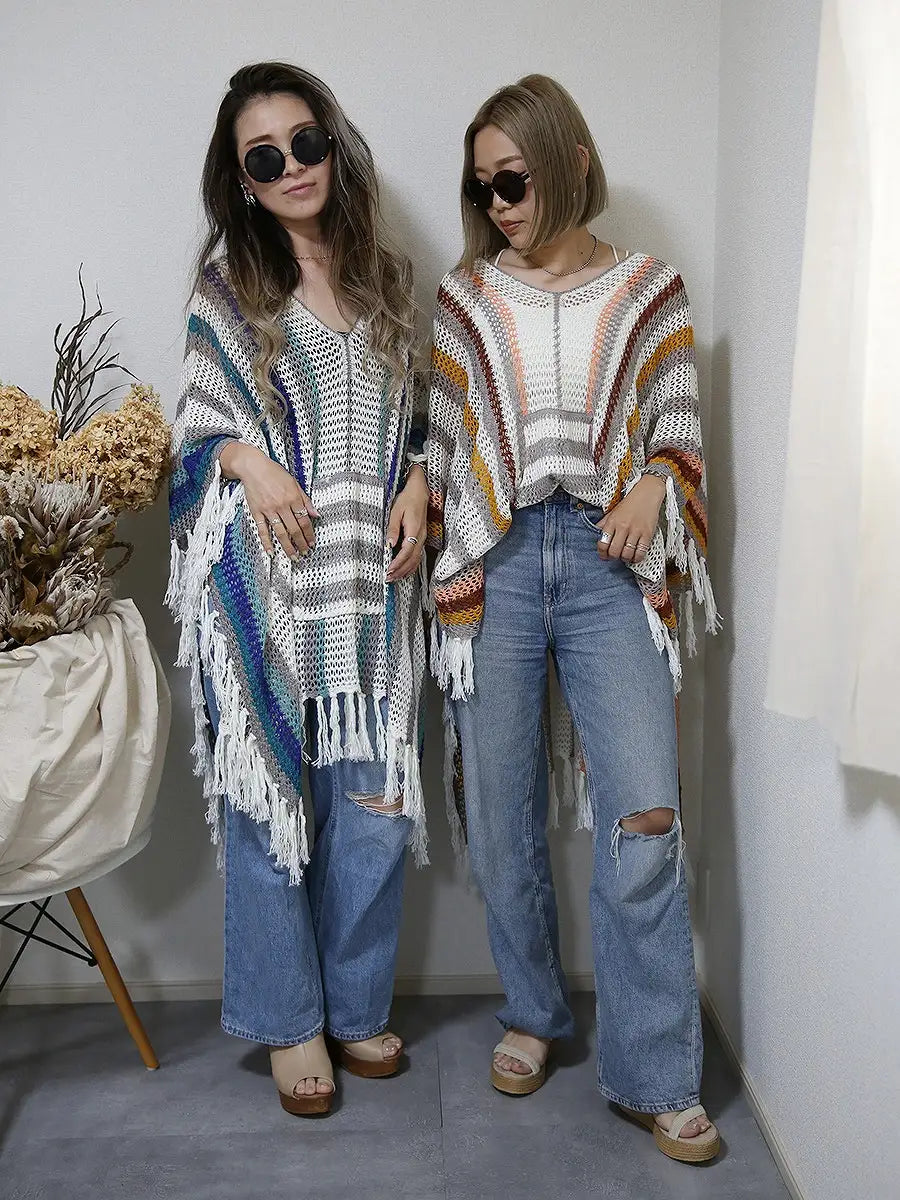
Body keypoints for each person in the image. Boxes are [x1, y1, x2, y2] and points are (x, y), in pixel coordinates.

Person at [426, 73, 720, 1163]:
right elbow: (446, 436)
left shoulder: (650, 290)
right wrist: (416, 488)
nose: (497, 202)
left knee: (646, 812)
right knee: (502, 815)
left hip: (609, 563)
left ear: (570, 162)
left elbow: (678, 430)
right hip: (497, 562)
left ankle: (654, 1073)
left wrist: (655, 483)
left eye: (513, 179)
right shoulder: (466, 296)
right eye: (482, 186)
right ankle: (534, 1011)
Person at [166, 62, 429, 1117]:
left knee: (372, 814)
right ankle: (290, 1023)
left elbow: (427, 422)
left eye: (304, 142)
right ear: (243, 180)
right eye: (263, 158)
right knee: (269, 807)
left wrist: (420, 481)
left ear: (332, 143)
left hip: (372, 592)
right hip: (273, 595)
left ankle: (356, 1010)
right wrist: (250, 460)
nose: (290, 168)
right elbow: (195, 436)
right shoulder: (230, 291)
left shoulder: (387, 281)